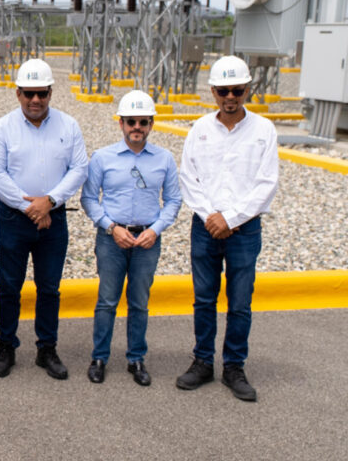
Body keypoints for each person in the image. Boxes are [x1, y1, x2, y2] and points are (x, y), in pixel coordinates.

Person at [176, 56, 279, 402]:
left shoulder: (264, 130)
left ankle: (234, 365)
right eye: (223, 90)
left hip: (244, 230)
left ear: (248, 89)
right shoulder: (200, 129)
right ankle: (203, 362)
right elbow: (188, 178)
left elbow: (266, 184)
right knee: (203, 299)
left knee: (239, 303)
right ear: (213, 91)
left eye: (237, 90)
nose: (230, 97)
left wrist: (231, 218)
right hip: (206, 226)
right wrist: (212, 217)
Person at [0, 58, 88, 380]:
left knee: (49, 289)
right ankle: (6, 346)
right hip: (15, 220)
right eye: (29, 93)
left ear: (50, 93)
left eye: (41, 94)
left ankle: (47, 348)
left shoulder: (68, 126)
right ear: (17, 94)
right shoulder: (3, 127)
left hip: (54, 220)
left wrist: (51, 201)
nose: (35, 100)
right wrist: (31, 207)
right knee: (9, 288)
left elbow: (79, 168)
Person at [80, 91, 182, 386]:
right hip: (112, 238)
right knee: (107, 301)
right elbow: (89, 199)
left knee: (139, 302)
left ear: (151, 124)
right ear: (120, 123)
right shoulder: (102, 157)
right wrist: (112, 227)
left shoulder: (164, 159)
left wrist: (155, 229)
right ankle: (99, 357)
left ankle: (136, 359)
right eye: (130, 122)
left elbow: (174, 200)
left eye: (143, 122)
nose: (136, 127)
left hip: (147, 240)